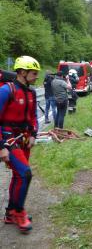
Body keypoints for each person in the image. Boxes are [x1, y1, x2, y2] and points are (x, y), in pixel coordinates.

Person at [0, 55, 40, 233]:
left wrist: (33, 134)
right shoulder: (6, 91)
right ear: (22, 72)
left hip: (24, 138)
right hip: (8, 138)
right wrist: (1, 147)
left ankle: (10, 213)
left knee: (18, 175)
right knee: (25, 174)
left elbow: (33, 118)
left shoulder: (31, 93)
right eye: (34, 72)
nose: (36, 75)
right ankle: (19, 212)